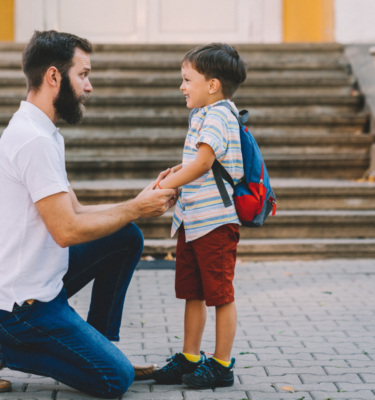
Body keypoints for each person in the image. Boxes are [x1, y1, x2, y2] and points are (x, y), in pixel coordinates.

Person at [0, 30, 177, 399]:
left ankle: (100, 345)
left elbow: (75, 211)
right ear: (53, 77)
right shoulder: (34, 141)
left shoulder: (44, 132)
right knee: (114, 380)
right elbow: (67, 230)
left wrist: (138, 204)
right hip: (17, 310)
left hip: (40, 283)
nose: (89, 86)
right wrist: (136, 208)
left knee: (125, 236)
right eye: (83, 74)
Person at [150, 43, 247, 389]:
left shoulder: (221, 113)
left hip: (216, 223)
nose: (182, 86)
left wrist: (164, 189)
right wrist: (175, 172)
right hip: (192, 221)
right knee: (193, 291)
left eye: (187, 79)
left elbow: (205, 163)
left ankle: (221, 365)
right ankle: (190, 357)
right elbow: (200, 161)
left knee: (220, 294)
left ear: (213, 85)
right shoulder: (202, 114)